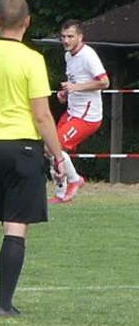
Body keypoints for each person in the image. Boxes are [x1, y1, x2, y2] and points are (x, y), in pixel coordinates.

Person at [0, 0, 64, 316]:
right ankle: (5, 303)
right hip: (23, 148)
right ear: (27, 22)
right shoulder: (32, 59)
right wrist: (58, 154)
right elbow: (42, 115)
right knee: (16, 226)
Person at [49, 19, 109, 203]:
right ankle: (61, 193)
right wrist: (65, 93)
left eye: (70, 36)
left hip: (87, 116)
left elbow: (104, 82)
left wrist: (76, 87)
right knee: (50, 148)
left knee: (55, 147)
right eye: (63, 36)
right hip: (72, 111)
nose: (66, 40)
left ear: (80, 37)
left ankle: (75, 180)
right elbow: (75, 83)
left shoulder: (88, 55)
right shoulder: (69, 56)